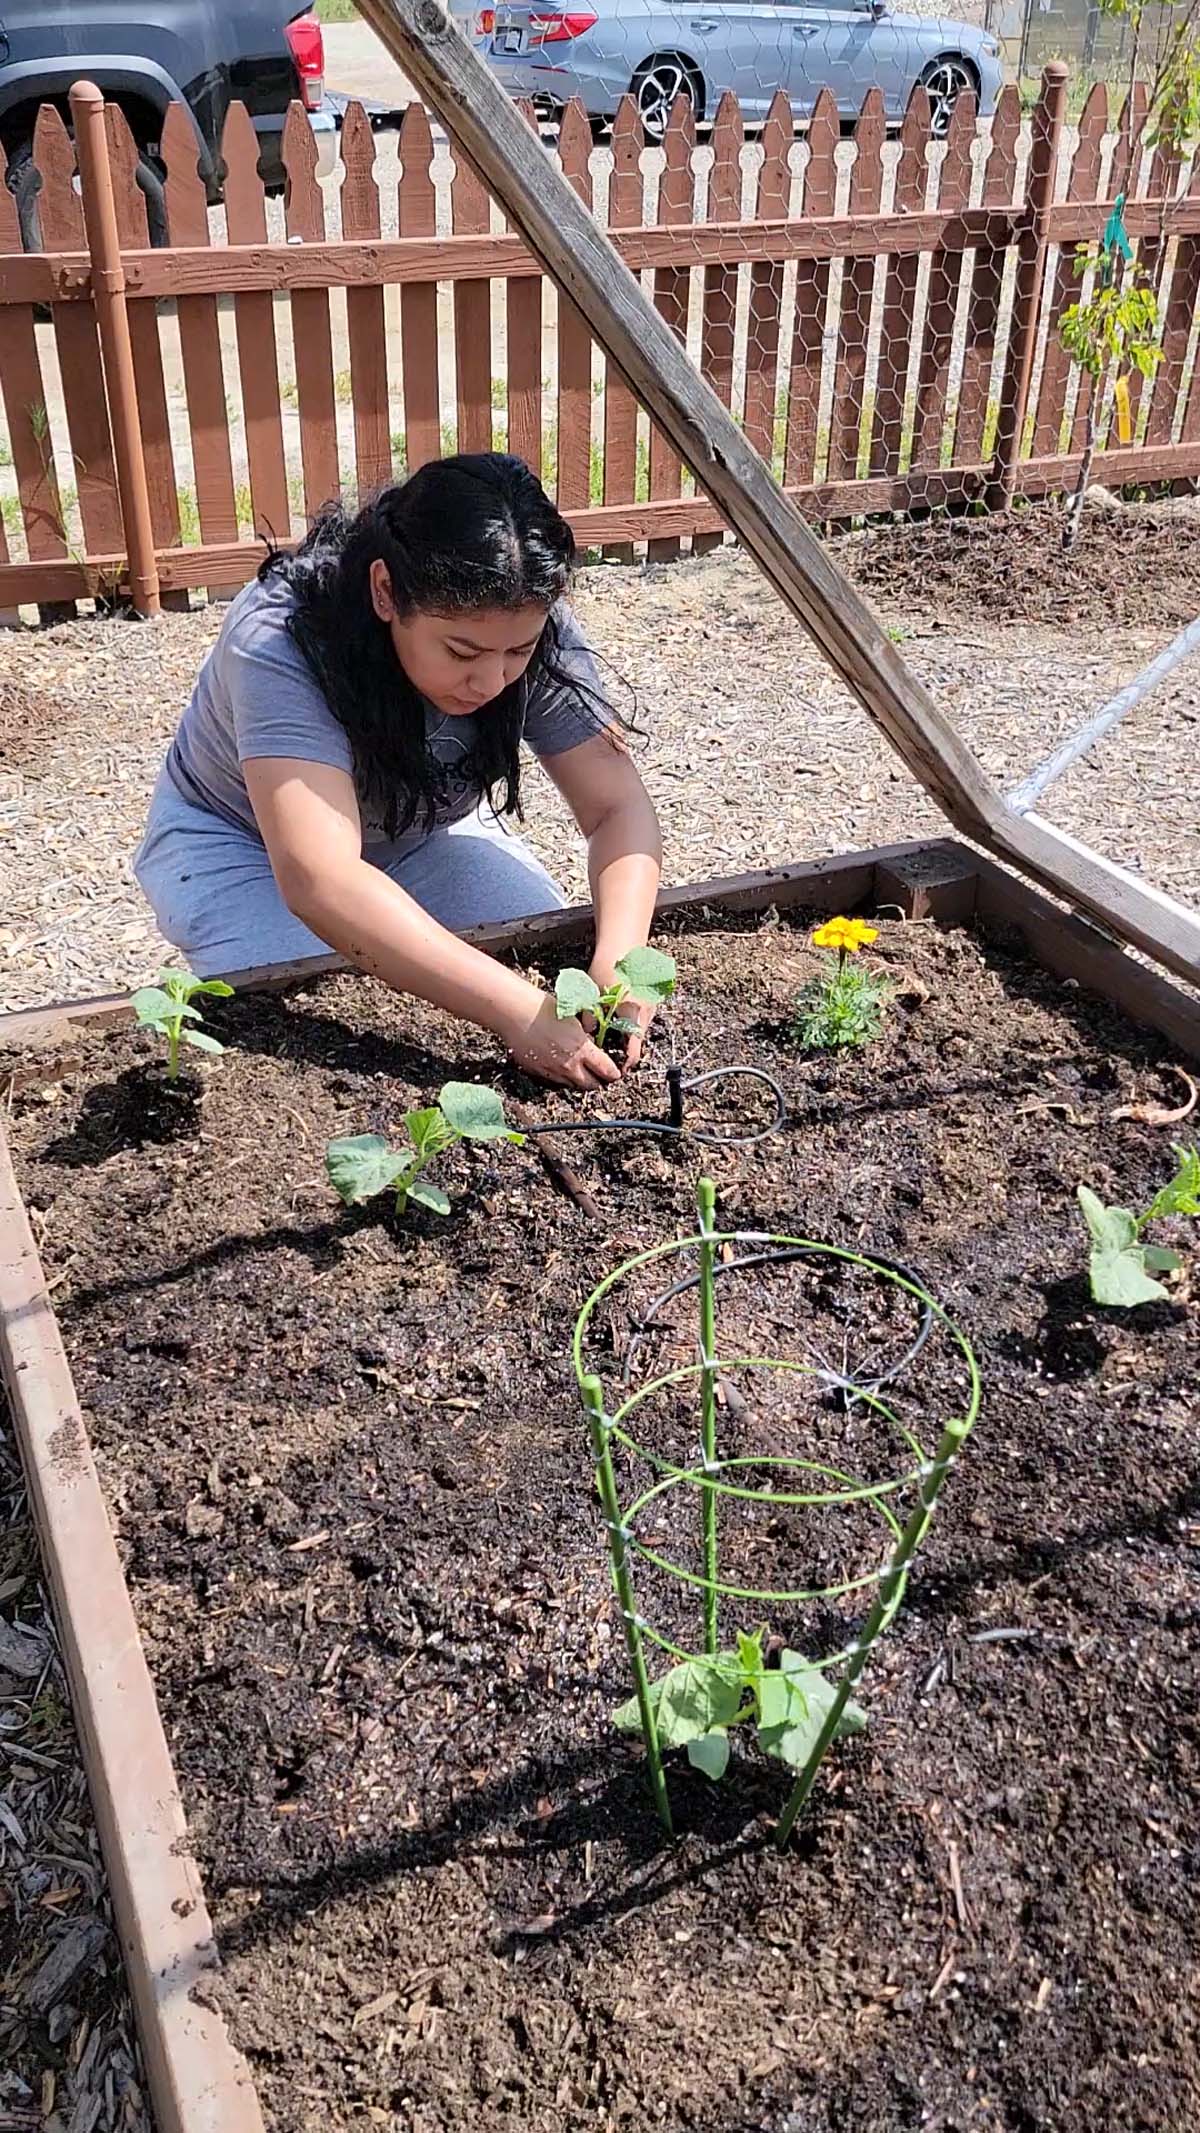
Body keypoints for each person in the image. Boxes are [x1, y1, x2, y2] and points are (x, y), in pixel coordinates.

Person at [134, 455, 663, 1090]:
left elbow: (617, 809)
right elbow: (319, 878)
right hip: (239, 847)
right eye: (462, 652)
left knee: (535, 942)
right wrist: (517, 1012)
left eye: (517, 652)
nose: (492, 681)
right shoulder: (285, 635)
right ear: (386, 591)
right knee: (293, 1002)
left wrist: (621, 964)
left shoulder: (522, 616)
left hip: (413, 837)